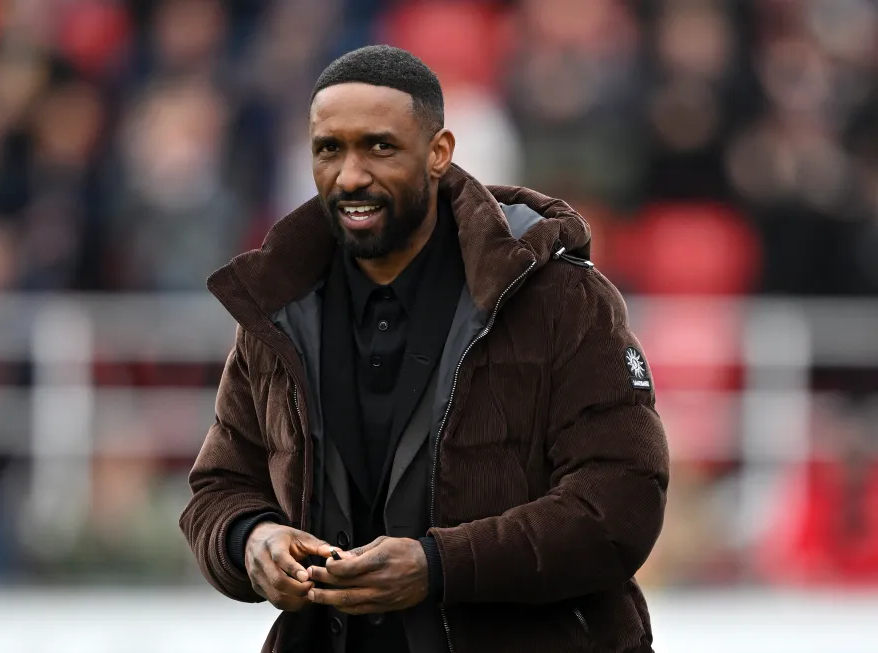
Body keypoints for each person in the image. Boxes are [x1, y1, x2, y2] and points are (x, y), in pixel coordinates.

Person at [181, 45, 669, 653]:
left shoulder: (561, 297)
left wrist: (439, 567)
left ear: (439, 153)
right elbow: (220, 487)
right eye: (328, 149)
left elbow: (621, 503)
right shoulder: (276, 307)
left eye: (379, 147)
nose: (350, 175)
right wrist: (251, 540)